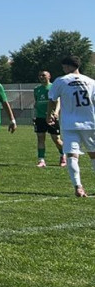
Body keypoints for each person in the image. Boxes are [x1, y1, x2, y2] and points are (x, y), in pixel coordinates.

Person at [47, 55, 95, 197]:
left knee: (72, 156)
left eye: (64, 66)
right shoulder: (91, 81)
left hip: (69, 124)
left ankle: (78, 187)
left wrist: (49, 114)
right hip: (90, 123)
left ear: (68, 66)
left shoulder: (61, 81)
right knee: (93, 155)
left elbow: (52, 99)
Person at [33, 71, 65, 168]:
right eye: (40, 75)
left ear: (49, 76)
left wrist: (55, 112)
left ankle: (63, 155)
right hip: (40, 117)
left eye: (43, 75)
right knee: (40, 138)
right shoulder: (37, 89)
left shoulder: (53, 87)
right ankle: (41, 160)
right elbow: (36, 102)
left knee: (56, 139)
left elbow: (58, 101)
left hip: (51, 117)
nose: (41, 77)